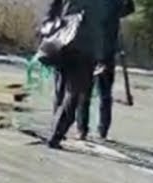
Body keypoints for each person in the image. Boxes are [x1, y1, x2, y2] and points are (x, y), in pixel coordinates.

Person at [44, 0, 111, 149]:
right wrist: (100, 57)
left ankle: (55, 129)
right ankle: (56, 134)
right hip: (83, 51)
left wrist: (48, 30)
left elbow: (53, 10)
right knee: (74, 94)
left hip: (63, 44)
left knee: (62, 89)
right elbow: (99, 27)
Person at [78, 0, 136, 140]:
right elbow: (129, 8)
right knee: (103, 93)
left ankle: (83, 129)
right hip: (104, 52)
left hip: (91, 51)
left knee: (86, 92)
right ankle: (101, 130)